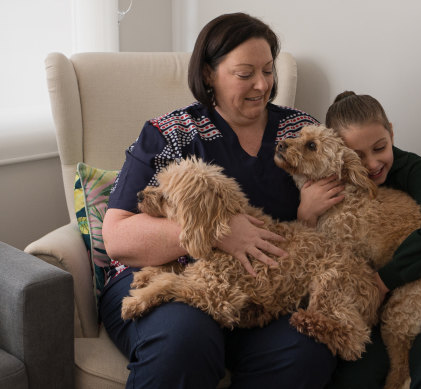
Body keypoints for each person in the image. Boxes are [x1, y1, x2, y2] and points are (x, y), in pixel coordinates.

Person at [100, 13, 336, 389]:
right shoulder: (170, 134)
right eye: (245, 74)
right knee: (185, 339)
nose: (262, 85)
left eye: (269, 71)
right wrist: (215, 232)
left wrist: (307, 218)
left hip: (262, 293)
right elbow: (118, 237)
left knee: (307, 348)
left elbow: (341, 212)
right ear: (209, 74)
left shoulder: (299, 133)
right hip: (164, 279)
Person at [300, 91, 421, 389]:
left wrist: (383, 281)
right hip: (372, 314)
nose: (372, 163)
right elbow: (317, 258)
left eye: (380, 147)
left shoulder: (413, 169)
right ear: (339, 154)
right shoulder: (328, 185)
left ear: (391, 132)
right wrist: (306, 215)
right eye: (357, 156)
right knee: (355, 377)